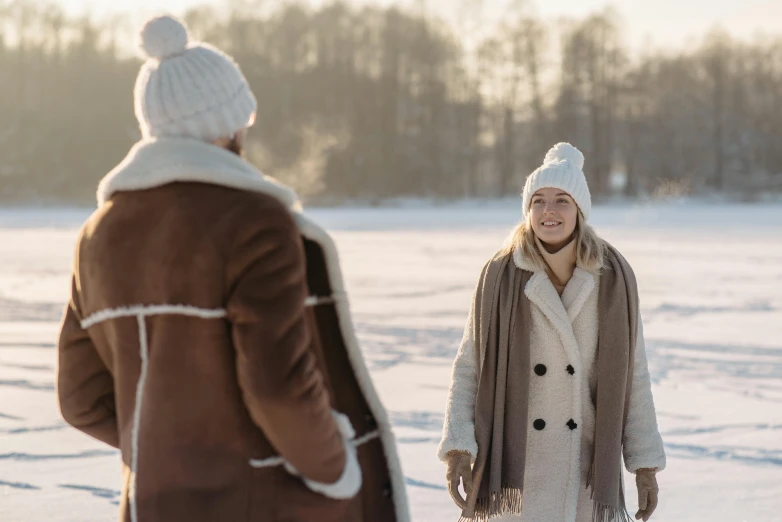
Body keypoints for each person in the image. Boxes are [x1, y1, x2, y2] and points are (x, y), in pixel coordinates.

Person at [56, 15, 408, 522]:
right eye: (244, 115)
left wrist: (170, 450)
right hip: (266, 502)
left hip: (153, 503)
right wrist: (335, 470)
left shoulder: (98, 235)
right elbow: (277, 386)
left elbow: (80, 398)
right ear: (226, 123)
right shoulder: (253, 221)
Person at [437, 143, 666, 522]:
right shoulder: (499, 276)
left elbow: (633, 376)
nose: (549, 211)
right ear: (527, 211)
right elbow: (470, 367)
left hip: (585, 468)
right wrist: (459, 448)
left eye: (561, 200)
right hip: (515, 471)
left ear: (579, 210)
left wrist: (644, 465)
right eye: (538, 201)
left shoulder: (613, 280)